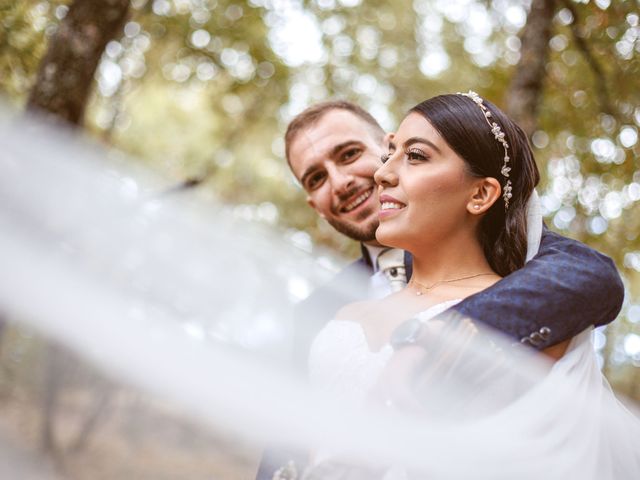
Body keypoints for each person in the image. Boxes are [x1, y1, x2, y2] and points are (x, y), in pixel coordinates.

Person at [255, 99, 624, 480]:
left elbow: (590, 275)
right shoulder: (318, 312)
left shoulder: (523, 265)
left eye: (349, 154)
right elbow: (289, 437)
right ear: (313, 204)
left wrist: (437, 339)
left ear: (385, 148)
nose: (340, 182)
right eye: (316, 178)